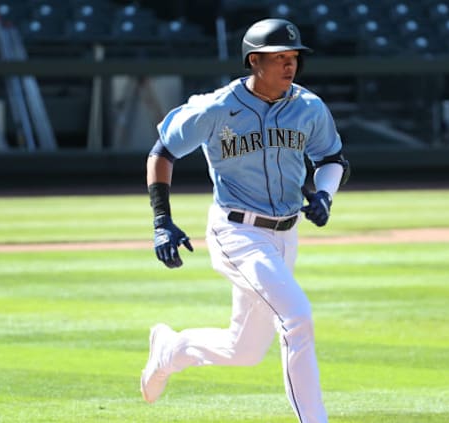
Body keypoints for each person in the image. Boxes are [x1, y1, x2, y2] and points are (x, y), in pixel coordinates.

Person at [140, 17, 350, 423]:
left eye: (293, 57)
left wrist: (324, 194)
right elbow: (162, 152)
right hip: (236, 232)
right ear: (254, 61)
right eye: (279, 58)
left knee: (244, 350)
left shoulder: (308, 106)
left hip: (285, 235)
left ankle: (171, 350)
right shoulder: (218, 107)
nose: (290, 65)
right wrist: (162, 220)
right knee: (297, 318)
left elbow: (331, 159)